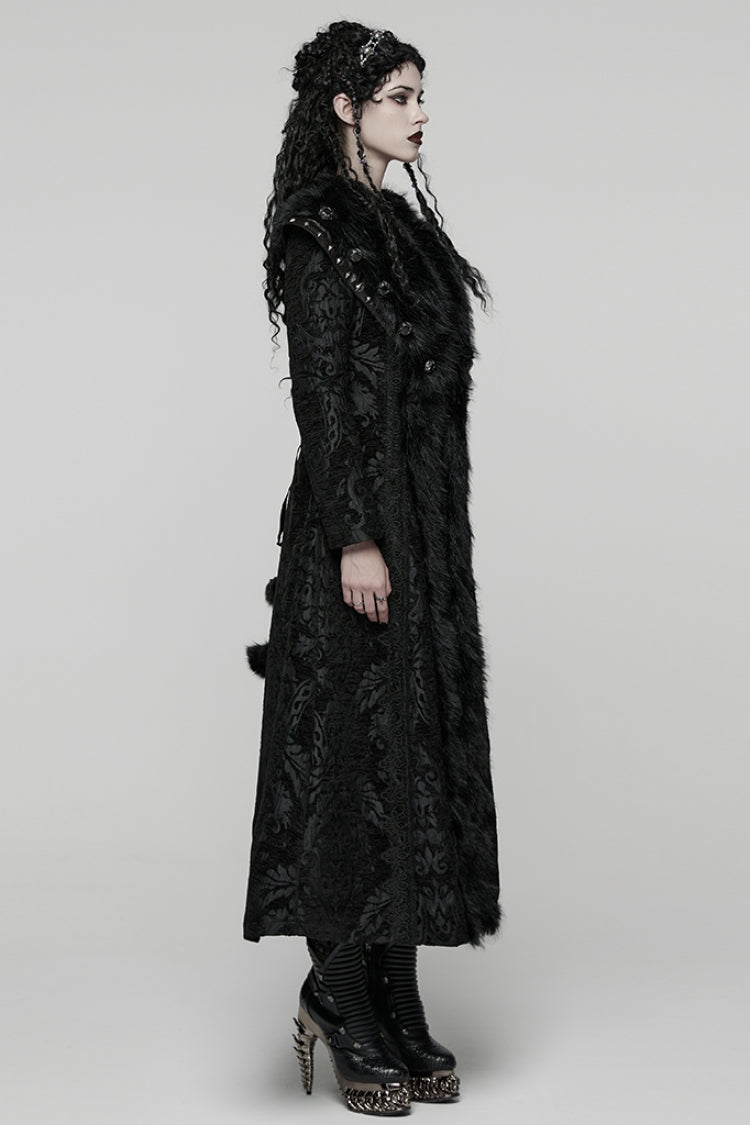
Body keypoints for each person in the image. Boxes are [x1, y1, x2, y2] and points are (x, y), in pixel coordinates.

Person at [243, 20, 501, 1117]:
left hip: (425, 529)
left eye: (421, 94)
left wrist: (421, 533)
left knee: (411, 756)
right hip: (357, 532)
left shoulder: (405, 231)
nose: (420, 113)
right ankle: (340, 994)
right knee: (350, 755)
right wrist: (356, 534)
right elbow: (322, 393)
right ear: (345, 108)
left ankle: (395, 990)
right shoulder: (318, 228)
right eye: (399, 96)